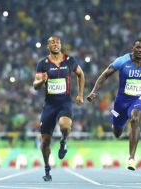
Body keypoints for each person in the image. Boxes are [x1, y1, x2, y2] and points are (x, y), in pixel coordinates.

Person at [87, 38, 141, 171]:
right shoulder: (122, 61)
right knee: (117, 133)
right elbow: (105, 75)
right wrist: (94, 91)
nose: (140, 50)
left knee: (135, 119)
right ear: (133, 48)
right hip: (121, 102)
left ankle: (131, 159)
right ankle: (116, 125)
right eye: (138, 47)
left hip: (137, 99)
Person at [33, 35, 85, 181]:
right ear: (48, 46)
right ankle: (47, 169)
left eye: (58, 42)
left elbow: (81, 75)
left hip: (64, 103)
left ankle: (63, 142)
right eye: (52, 43)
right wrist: (41, 81)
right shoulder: (42, 63)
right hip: (49, 105)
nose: (55, 44)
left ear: (61, 45)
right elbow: (35, 85)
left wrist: (80, 95)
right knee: (45, 141)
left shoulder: (69, 60)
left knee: (65, 126)